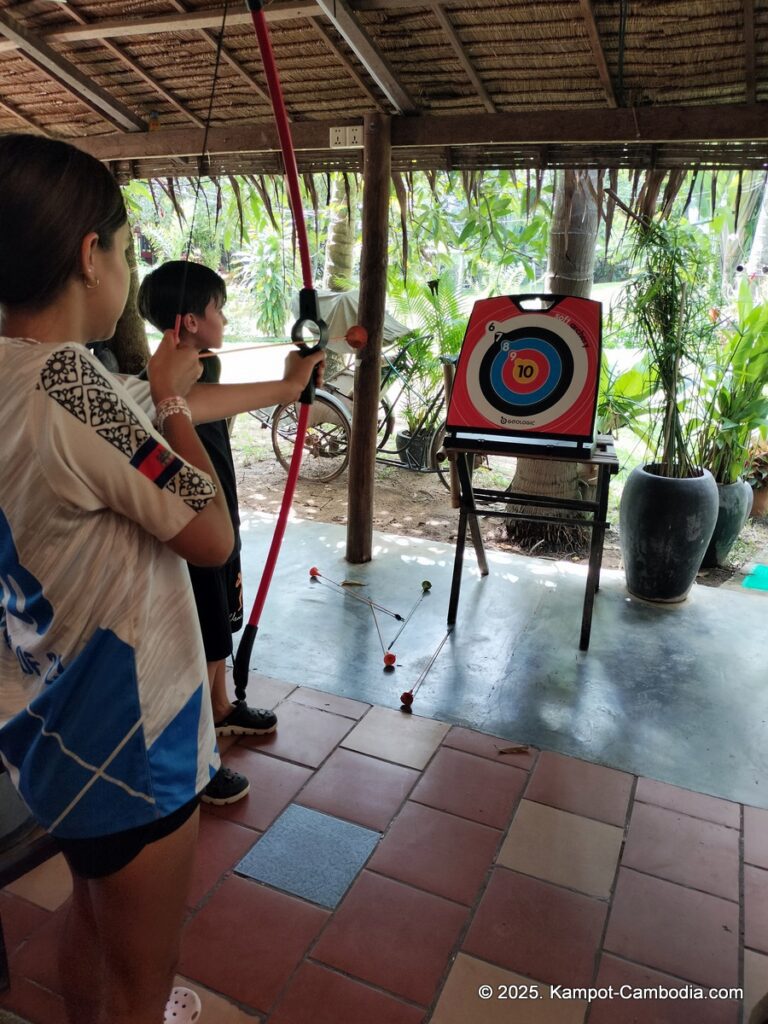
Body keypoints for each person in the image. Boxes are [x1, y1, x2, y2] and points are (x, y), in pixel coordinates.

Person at [0, 133, 323, 1024]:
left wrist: (282, 388)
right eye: (129, 247)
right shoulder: (71, 387)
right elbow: (211, 534)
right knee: (143, 982)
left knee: (89, 910)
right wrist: (175, 401)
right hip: (126, 731)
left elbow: (140, 412)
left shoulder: (22, 376)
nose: (131, 270)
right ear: (87, 256)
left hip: (43, 722)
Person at [138, 261, 286, 805]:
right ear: (189, 322)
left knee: (219, 614)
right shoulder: (161, 393)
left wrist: (293, 383)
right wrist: (290, 384)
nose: (225, 317)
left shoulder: (199, 372)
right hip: (193, 525)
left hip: (219, 517)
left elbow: (215, 397)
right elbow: (185, 410)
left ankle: (221, 709)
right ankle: (199, 750)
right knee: (198, 626)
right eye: (217, 308)